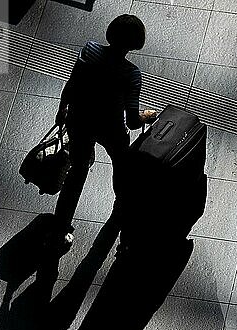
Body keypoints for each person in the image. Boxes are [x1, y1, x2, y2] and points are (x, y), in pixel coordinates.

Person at [53, 14, 157, 244]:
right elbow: (131, 122)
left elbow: (72, 84)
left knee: (77, 172)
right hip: (110, 129)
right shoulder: (131, 74)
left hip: (79, 120)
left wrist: (62, 109)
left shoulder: (89, 50)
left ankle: (60, 226)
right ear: (135, 42)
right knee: (122, 167)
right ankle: (121, 208)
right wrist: (146, 117)